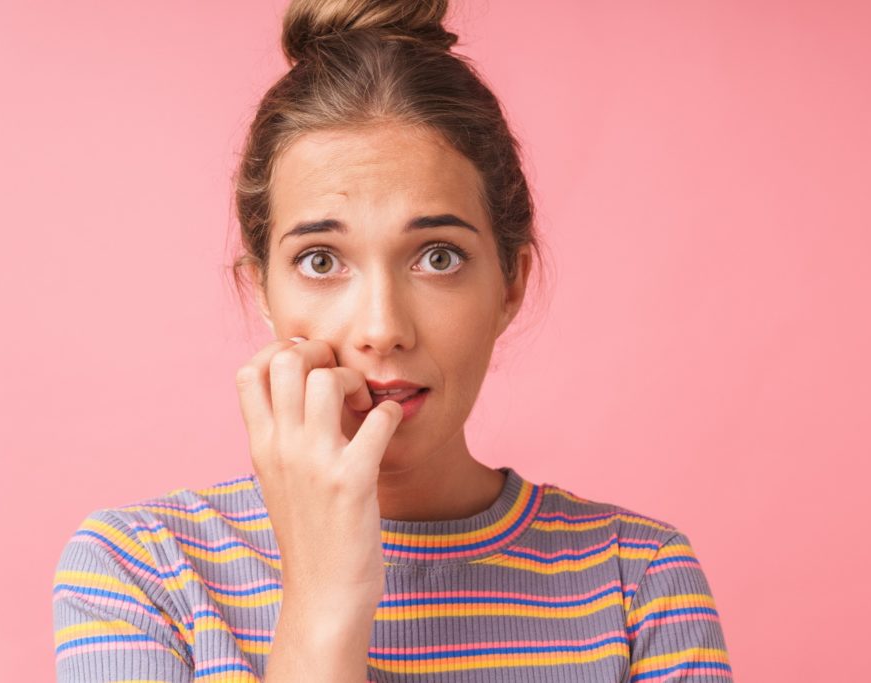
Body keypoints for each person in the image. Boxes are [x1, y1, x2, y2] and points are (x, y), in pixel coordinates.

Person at [51, 0, 733, 680]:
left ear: (510, 284)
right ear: (261, 289)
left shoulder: (637, 583)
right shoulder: (142, 573)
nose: (382, 329)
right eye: (322, 260)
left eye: (437, 256)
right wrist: (322, 599)